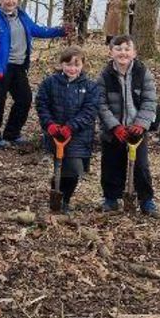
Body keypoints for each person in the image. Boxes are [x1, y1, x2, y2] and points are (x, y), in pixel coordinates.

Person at [0, 0, 68, 148]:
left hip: (19, 66)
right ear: (0, 0)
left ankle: (12, 133)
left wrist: (60, 31)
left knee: (25, 99)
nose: (11, 1)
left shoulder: (21, 16)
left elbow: (37, 30)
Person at [97, 35, 160, 216]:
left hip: (136, 130)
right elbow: (101, 105)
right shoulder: (104, 76)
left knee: (141, 166)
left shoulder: (143, 73)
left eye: (127, 49)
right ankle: (111, 198)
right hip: (113, 130)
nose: (123, 53)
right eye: (118, 49)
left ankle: (146, 200)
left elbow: (150, 101)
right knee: (111, 164)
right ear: (111, 52)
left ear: (134, 53)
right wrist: (114, 126)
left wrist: (141, 124)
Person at [35, 46, 101, 213]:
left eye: (76, 65)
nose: (72, 68)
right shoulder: (50, 83)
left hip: (78, 135)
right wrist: (49, 124)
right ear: (61, 64)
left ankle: (65, 199)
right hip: (55, 133)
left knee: (74, 169)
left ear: (83, 65)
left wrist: (71, 127)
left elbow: (90, 111)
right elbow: (42, 104)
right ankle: (56, 197)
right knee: (60, 166)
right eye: (68, 64)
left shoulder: (90, 87)